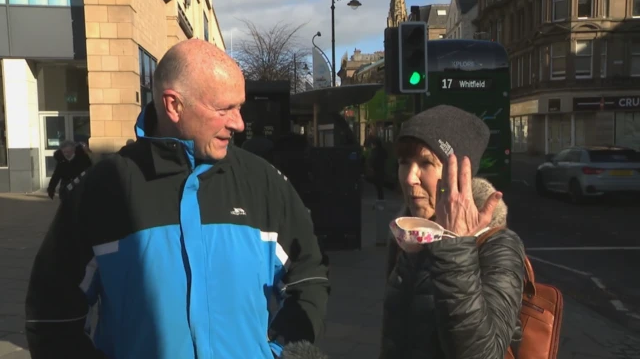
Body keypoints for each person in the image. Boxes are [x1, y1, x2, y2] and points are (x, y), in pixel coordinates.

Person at [25, 39, 330, 359]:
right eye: (224, 108)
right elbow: (52, 311)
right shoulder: (103, 189)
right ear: (173, 105)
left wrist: (286, 348)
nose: (238, 123)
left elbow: (309, 275)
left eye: (239, 107)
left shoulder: (263, 181)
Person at [380, 105, 526, 358]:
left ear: (460, 177)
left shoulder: (499, 246)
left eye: (426, 162)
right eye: (404, 163)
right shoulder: (408, 238)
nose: (410, 177)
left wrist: (455, 247)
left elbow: (482, 354)